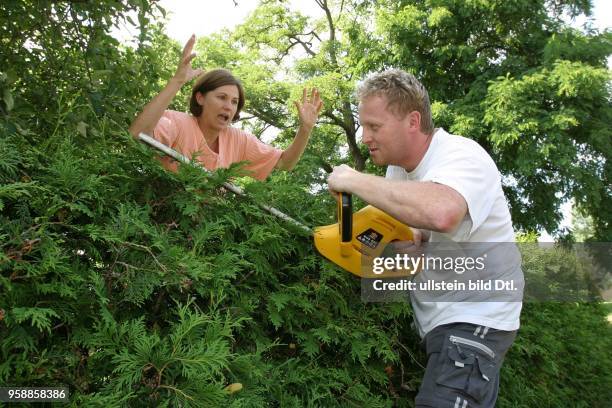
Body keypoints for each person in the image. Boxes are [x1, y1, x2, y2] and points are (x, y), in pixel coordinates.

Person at [327, 69, 523, 408]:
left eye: (374, 126)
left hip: (477, 317)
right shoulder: (398, 172)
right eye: (363, 126)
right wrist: (362, 244)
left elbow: (442, 212)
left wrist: (353, 180)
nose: (365, 136)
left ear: (413, 121)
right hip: (445, 324)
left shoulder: (462, 156)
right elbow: (412, 243)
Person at [129, 34, 323, 180]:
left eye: (234, 102)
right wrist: (177, 81)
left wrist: (305, 129)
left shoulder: (239, 140)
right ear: (200, 98)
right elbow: (137, 135)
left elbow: (283, 163)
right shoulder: (176, 123)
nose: (229, 107)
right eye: (222, 97)